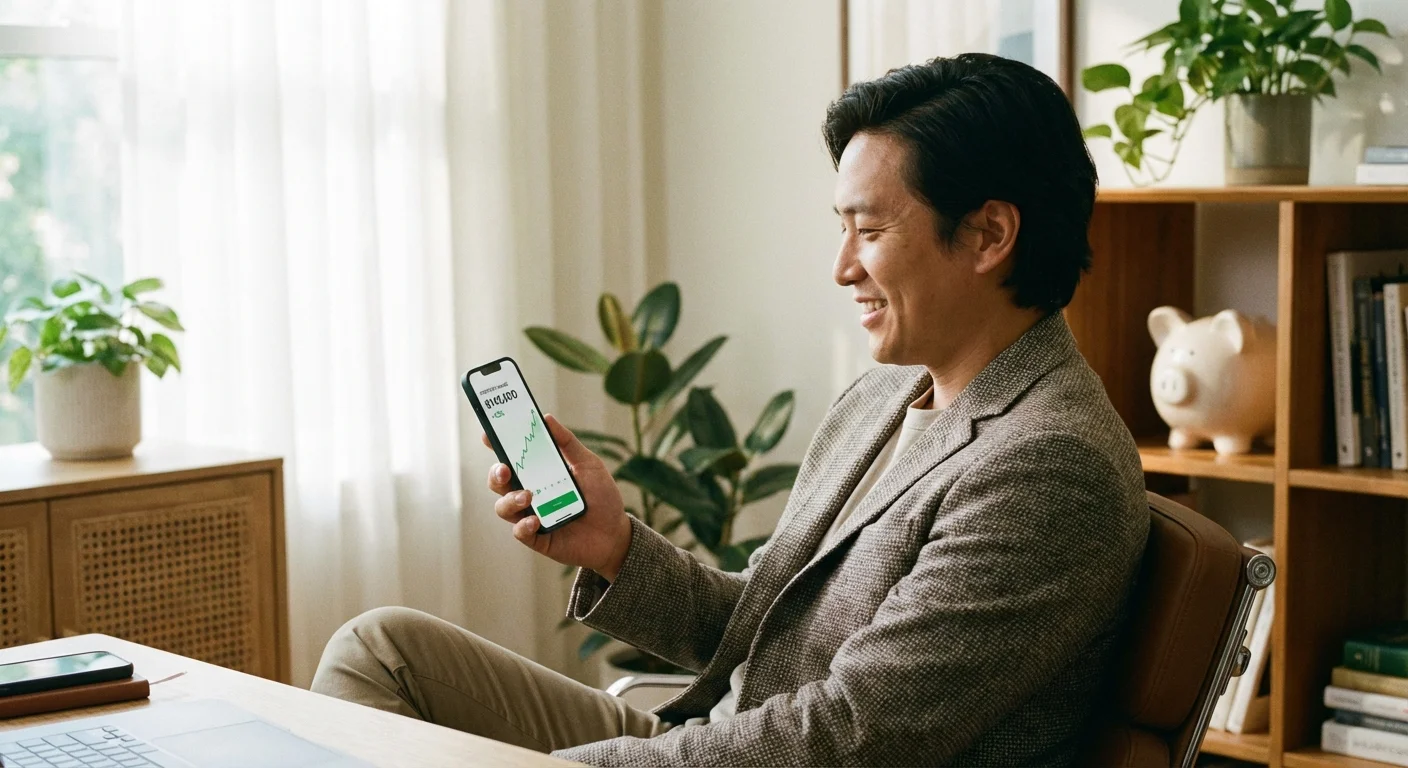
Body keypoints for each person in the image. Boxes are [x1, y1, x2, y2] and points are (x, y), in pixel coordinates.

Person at [311, 52, 1149, 766]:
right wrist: (613, 546)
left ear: (989, 235)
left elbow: (849, 735)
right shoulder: (890, 395)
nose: (841, 268)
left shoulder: (1048, 465)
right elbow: (769, 625)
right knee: (381, 650)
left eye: (869, 230)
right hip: (727, 738)